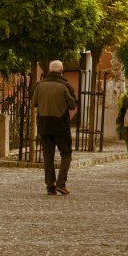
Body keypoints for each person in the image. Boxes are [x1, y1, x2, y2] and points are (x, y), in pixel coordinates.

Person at [31, 59, 77, 196]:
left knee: (48, 156)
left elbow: (34, 103)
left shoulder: (40, 86)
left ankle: (50, 186)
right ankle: (61, 183)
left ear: (50, 71)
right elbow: (73, 104)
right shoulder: (65, 86)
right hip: (61, 124)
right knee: (66, 153)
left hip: (44, 124)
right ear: (62, 71)